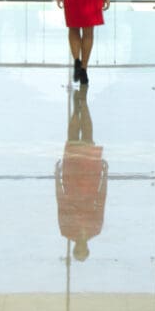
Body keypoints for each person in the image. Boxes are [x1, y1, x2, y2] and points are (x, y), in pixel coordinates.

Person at [55, 86, 105, 261]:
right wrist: (105, 175)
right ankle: (82, 102)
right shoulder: (96, 229)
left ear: (74, 249)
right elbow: (101, 199)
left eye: (78, 251)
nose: (80, 248)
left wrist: (57, 177)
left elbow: (60, 202)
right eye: (83, 251)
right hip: (90, 180)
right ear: (87, 249)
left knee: (73, 138)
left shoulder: (66, 231)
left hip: (71, 180)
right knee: (89, 136)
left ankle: (78, 107)